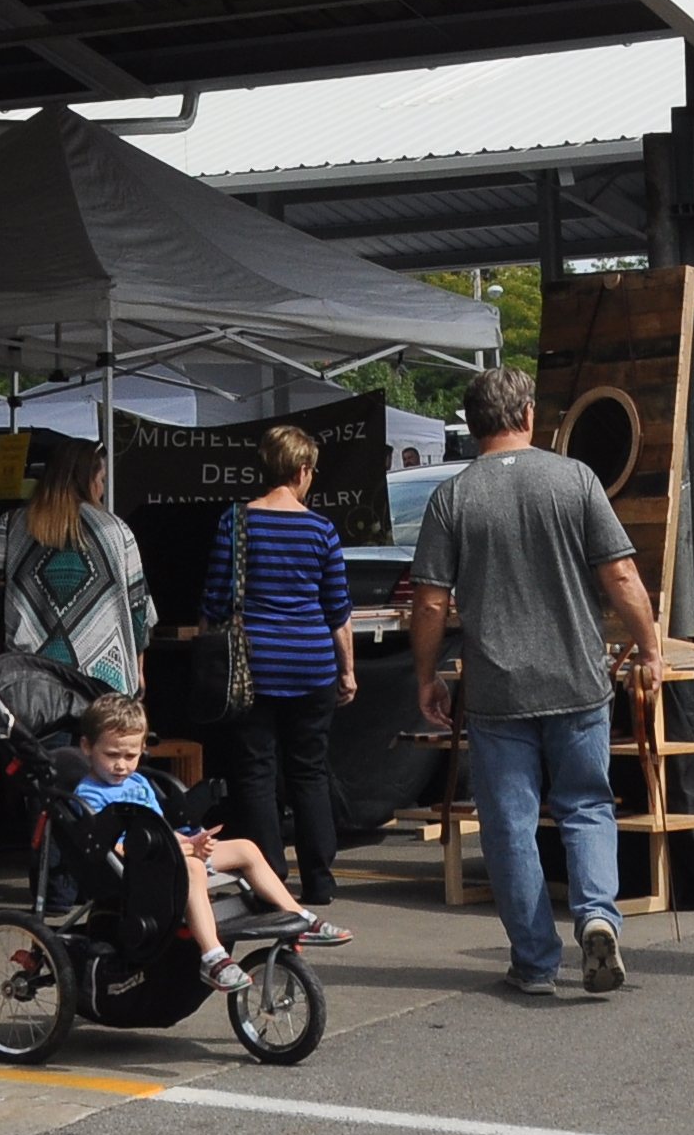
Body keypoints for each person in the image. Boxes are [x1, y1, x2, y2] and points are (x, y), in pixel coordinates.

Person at [408, 364, 667, 1000]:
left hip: (497, 690)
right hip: (577, 679)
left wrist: (426, 677)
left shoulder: (453, 497)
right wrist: (651, 648)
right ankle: (599, 917)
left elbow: (432, 603)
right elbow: (622, 577)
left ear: (472, 427)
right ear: (529, 417)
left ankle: (534, 961)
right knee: (586, 807)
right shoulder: (574, 479)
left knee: (508, 825)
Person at [202, 424, 358, 945]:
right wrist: (348, 669)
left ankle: (272, 877)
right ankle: (321, 878)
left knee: (256, 774)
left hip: (254, 667)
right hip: (311, 664)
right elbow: (338, 612)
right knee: (310, 769)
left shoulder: (235, 523)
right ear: (301, 471)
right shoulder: (321, 530)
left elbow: (217, 597)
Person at [67, 690, 311, 992]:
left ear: (142, 749)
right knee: (193, 869)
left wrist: (192, 841)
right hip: (137, 868)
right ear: (87, 747)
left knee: (246, 849)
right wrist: (181, 849)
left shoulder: (140, 782)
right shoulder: (90, 794)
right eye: (112, 755)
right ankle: (212, 956)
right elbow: (115, 848)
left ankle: (298, 915)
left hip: (168, 852)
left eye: (130, 756)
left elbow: (162, 828)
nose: (121, 765)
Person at [0, 435, 157, 692]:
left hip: (29, 682)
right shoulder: (117, 532)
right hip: (104, 681)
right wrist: (138, 670)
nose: (102, 490)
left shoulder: (9, 525)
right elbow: (138, 609)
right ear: (89, 480)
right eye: (102, 480)